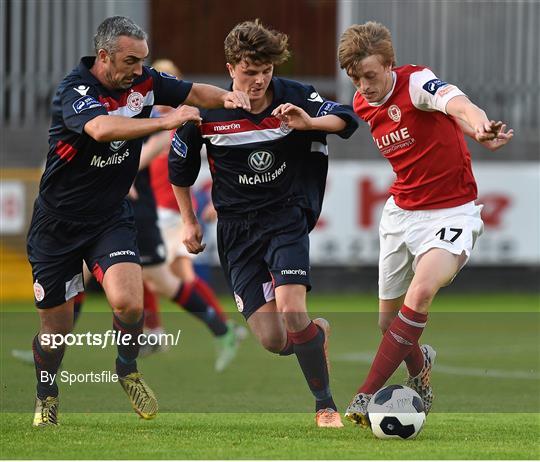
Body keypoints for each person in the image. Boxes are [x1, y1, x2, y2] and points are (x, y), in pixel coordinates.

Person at [27, 15, 249, 427]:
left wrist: (230, 98)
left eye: (142, 60)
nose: (138, 70)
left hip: (110, 217)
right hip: (57, 225)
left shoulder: (144, 81)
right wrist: (165, 121)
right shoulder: (75, 90)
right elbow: (100, 128)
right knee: (55, 334)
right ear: (105, 56)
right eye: (131, 61)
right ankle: (47, 394)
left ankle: (126, 368)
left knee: (130, 304)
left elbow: (193, 92)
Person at [168, 19, 359, 427]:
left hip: (285, 216)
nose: (258, 81)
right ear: (231, 68)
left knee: (292, 310)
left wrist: (308, 123)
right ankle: (314, 336)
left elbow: (345, 119)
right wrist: (189, 223)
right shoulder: (206, 111)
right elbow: (179, 171)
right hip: (236, 229)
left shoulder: (292, 97)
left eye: (266, 71)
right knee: (275, 340)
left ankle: (325, 405)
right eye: (250, 72)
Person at [336, 21, 514, 427]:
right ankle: (420, 370)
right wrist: (471, 130)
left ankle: (364, 396)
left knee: (421, 290)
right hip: (401, 215)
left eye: (370, 75)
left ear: (390, 65)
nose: (363, 86)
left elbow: (456, 104)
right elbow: (445, 125)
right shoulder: (364, 104)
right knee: (388, 323)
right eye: (355, 78)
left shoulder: (417, 81)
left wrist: (479, 124)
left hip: (452, 211)